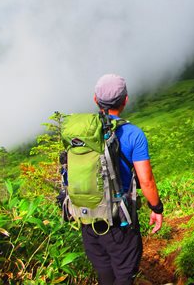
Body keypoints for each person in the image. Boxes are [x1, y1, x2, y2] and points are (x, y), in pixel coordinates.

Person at [81, 73, 164, 285]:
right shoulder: (133, 134)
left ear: (95, 100)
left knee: (105, 274)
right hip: (120, 222)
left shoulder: (81, 133)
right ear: (125, 100)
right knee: (124, 275)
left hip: (88, 219)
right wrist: (157, 209)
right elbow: (146, 181)